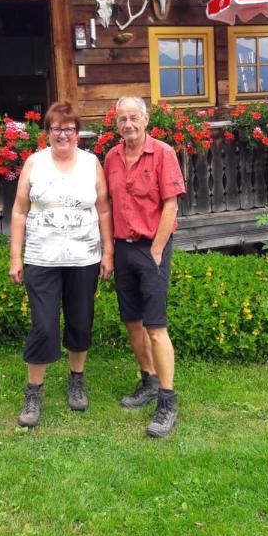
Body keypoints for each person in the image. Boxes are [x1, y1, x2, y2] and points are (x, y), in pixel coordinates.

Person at [10, 101, 113, 427]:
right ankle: (34, 392)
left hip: (83, 258)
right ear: (48, 132)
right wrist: (15, 256)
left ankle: (76, 379)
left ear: (77, 133)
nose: (63, 134)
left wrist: (108, 252)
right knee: (43, 324)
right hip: (42, 258)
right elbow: (19, 211)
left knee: (80, 321)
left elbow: (104, 210)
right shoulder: (34, 163)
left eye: (69, 129)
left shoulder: (90, 163)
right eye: (56, 128)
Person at [104, 96, 185, 438]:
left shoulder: (163, 153)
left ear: (146, 119)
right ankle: (148, 381)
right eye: (122, 119)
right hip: (123, 248)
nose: (128, 124)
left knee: (155, 326)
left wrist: (156, 249)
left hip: (153, 248)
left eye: (133, 117)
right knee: (132, 323)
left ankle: (167, 401)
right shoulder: (110, 157)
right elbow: (106, 205)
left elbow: (171, 206)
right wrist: (109, 251)